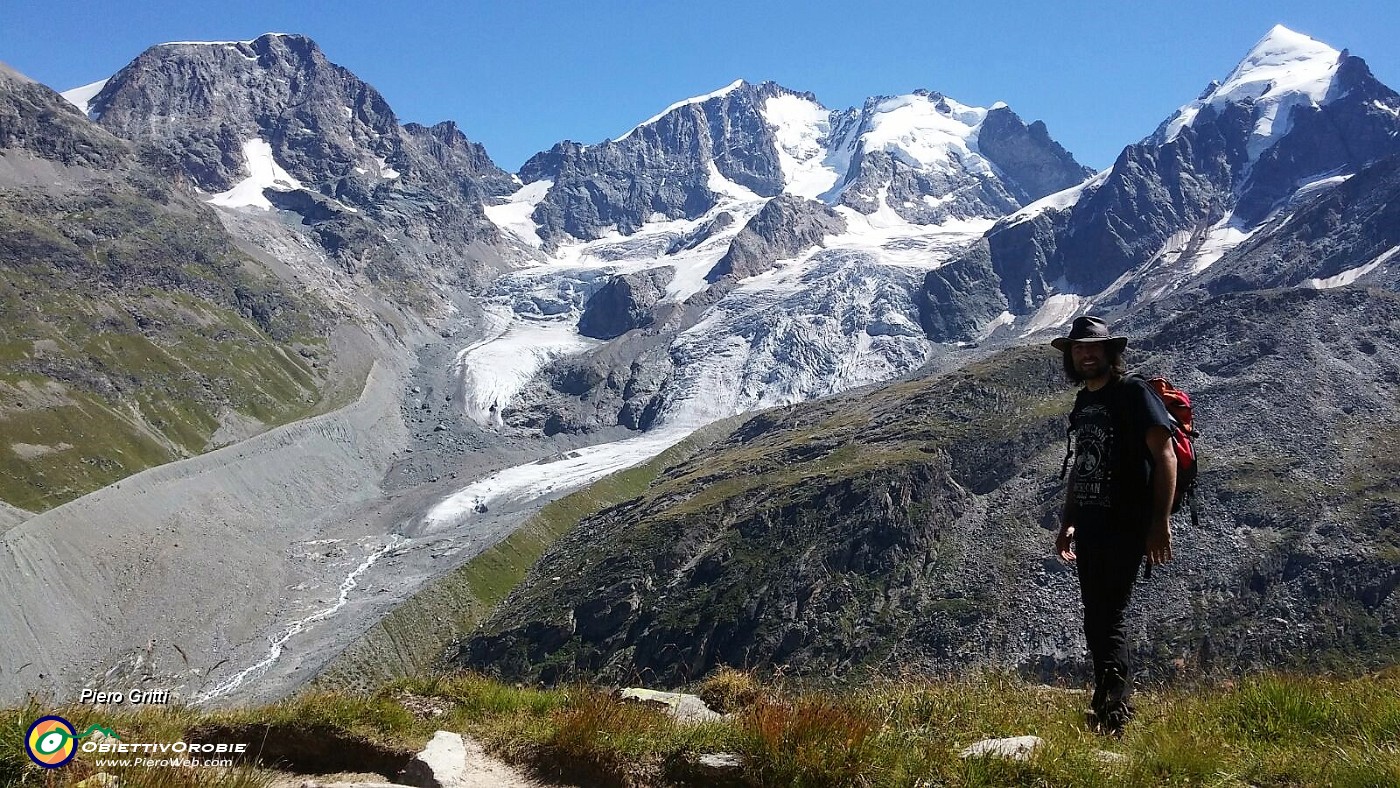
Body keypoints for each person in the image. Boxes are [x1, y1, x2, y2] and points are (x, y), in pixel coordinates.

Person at [1052, 315, 1176, 736]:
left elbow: (1166, 455)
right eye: (1079, 348)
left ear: (1110, 352)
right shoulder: (1085, 401)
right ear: (1071, 355)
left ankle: (1113, 713)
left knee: (1110, 615)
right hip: (1090, 523)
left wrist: (1159, 522)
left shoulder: (1132, 393)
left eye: (1094, 347)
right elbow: (1081, 466)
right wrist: (1068, 521)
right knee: (1096, 615)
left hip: (1126, 522)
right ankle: (1107, 701)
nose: (1086, 354)